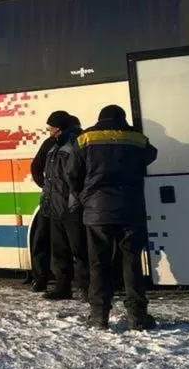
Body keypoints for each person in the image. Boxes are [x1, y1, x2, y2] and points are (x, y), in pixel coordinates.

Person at [66, 104, 159, 331]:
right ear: (123, 118)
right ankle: (137, 316)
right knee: (132, 262)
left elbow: (71, 173)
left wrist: (84, 197)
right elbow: (152, 154)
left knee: (99, 264)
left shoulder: (85, 139)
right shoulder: (136, 138)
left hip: (97, 211)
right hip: (130, 209)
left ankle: (99, 316)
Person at [42, 113, 89, 301]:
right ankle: (63, 287)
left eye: (51, 128)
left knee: (80, 250)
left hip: (71, 206)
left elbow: (76, 176)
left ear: (59, 128)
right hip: (56, 206)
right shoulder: (56, 146)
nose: (49, 132)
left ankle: (87, 288)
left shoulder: (74, 145)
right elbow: (50, 177)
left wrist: (74, 200)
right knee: (60, 250)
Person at [26, 123, 61, 292]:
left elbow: (35, 167)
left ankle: (40, 278)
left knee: (42, 239)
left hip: (50, 199)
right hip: (65, 201)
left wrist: (46, 187)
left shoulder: (50, 144)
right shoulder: (78, 142)